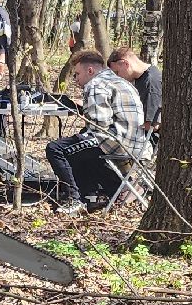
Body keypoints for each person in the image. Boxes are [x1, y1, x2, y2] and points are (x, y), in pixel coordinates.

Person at [46, 49, 148, 214]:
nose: (76, 80)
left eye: (77, 74)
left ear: (90, 71)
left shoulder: (95, 85)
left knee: (56, 148)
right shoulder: (122, 82)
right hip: (137, 143)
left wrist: (84, 115)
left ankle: (74, 199)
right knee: (81, 149)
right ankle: (97, 196)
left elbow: (99, 125)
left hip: (117, 142)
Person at [107, 45, 161, 135]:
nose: (117, 77)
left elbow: (151, 126)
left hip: (148, 140)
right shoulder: (139, 78)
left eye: (117, 72)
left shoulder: (151, 82)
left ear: (126, 64)